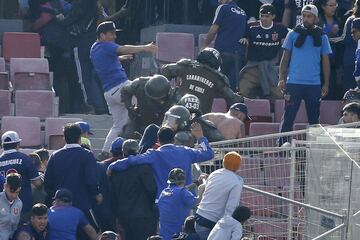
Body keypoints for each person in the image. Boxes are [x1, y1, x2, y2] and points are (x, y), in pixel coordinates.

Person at [90, 20, 157, 158]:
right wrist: (145, 47)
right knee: (147, 99)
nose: (114, 37)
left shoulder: (95, 48)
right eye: (111, 34)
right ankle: (147, 142)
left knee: (118, 125)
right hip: (121, 87)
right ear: (102, 35)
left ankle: (105, 153)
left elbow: (106, 61)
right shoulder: (105, 46)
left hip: (110, 93)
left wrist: (119, 58)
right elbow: (123, 47)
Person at [108, 124, 214, 200]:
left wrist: (113, 165)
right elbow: (208, 153)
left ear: (158, 141)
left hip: (164, 200)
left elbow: (132, 160)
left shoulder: (154, 154)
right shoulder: (186, 151)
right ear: (173, 140)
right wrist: (201, 138)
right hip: (185, 199)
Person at [278, 4, 332, 144]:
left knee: (314, 120)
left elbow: (326, 62)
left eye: (309, 16)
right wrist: (281, 78)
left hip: (314, 84)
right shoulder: (293, 34)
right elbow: (285, 59)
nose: (306, 19)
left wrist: (326, 83)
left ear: (315, 18)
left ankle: (314, 149)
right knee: (288, 118)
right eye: (304, 16)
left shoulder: (322, 36)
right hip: (293, 83)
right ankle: (282, 148)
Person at [44, 123, 102, 231]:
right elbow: (91, 181)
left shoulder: (55, 156)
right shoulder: (87, 155)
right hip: (83, 206)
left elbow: (47, 182)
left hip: (60, 207)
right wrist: (96, 193)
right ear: (79, 137)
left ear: (64, 138)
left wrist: (55, 198)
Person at [161, 48, 244, 113]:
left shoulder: (187, 66)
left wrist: (170, 92)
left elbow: (165, 70)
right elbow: (233, 99)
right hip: (200, 118)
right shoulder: (218, 78)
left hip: (176, 111)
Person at [110, 139, 157, 240]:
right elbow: (152, 189)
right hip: (143, 214)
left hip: (123, 215)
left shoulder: (115, 170)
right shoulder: (144, 167)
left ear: (123, 152)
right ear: (138, 150)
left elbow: (112, 194)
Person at [239, 4, 288, 99]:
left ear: (273, 16)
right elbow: (243, 37)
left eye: (267, 16)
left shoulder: (280, 28)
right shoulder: (251, 27)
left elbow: (292, 36)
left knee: (281, 96)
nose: (264, 19)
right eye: (262, 16)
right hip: (253, 67)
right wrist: (244, 39)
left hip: (271, 68)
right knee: (242, 92)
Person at [195, 152, 244, 240]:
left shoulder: (214, 173)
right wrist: (227, 227)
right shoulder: (237, 181)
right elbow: (232, 205)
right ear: (238, 166)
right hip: (213, 222)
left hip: (199, 217)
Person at [204, 0, 248, 90]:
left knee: (216, 87)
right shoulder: (243, 13)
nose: (219, 0)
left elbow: (213, 30)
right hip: (238, 56)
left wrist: (204, 47)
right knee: (232, 90)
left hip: (222, 53)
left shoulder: (223, 8)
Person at [0, 131, 42, 220]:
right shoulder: (25, 159)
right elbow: (38, 183)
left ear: (3, 145)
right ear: (18, 145)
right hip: (23, 206)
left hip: (2, 208)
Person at [158, 168, 198, 240]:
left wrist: (196, 183)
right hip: (178, 235)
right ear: (183, 180)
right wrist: (204, 188)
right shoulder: (182, 192)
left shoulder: (164, 192)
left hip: (164, 235)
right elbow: (196, 202)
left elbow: (181, 189)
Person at [94, 137, 124, 232]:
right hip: (122, 212)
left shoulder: (100, 166)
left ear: (111, 151)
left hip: (104, 211)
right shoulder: (129, 166)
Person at [315, 0, 342, 100]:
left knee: (331, 92)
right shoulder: (318, 20)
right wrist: (330, 33)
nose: (333, 8)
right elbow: (317, 38)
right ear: (323, 6)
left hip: (334, 62)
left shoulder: (338, 20)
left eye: (335, 5)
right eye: (331, 5)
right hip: (319, 62)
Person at [0, 173, 23, 240]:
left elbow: (15, 225)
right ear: (5, 186)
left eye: (17, 192)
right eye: (11, 192)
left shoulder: (19, 203)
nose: (14, 196)